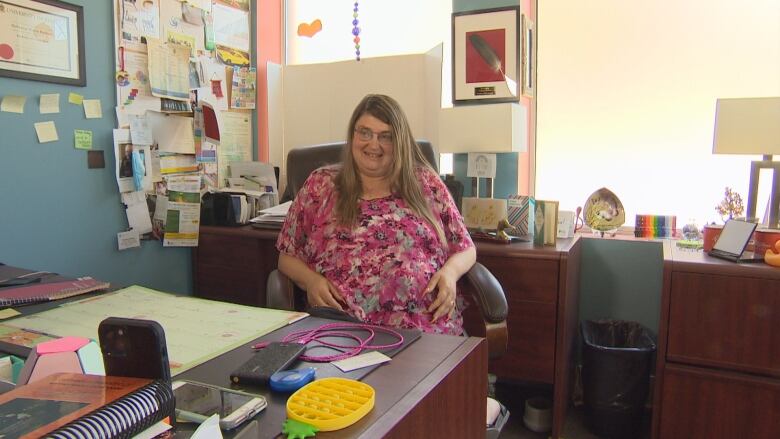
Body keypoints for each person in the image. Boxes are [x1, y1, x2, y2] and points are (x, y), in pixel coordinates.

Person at [276, 94, 477, 335]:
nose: (374, 144)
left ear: (400, 142)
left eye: (386, 136)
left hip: (427, 330)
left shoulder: (425, 183)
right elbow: (286, 257)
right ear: (352, 136)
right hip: (345, 330)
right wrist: (311, 281)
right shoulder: (321, 185)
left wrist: (450, 273)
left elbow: (466, 248)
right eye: (365, 133)